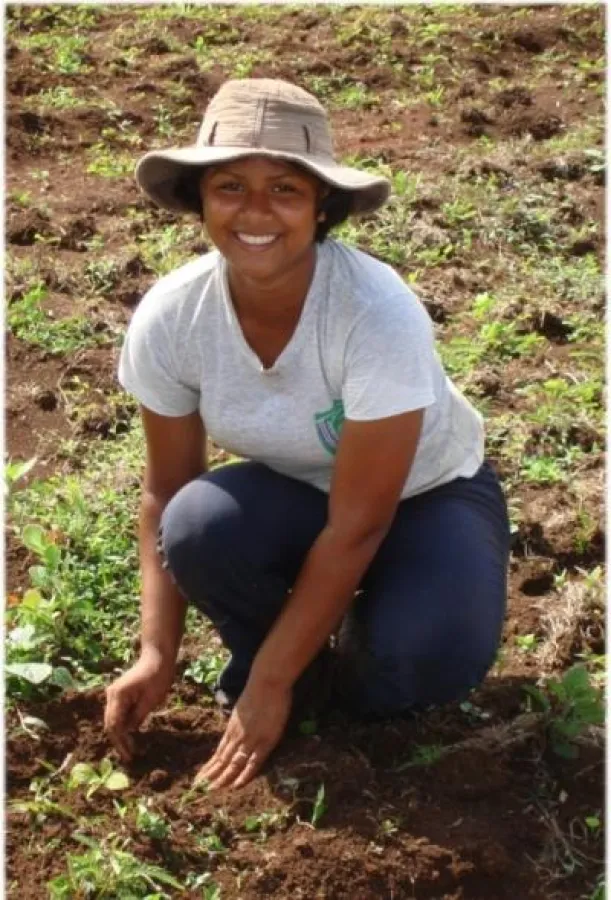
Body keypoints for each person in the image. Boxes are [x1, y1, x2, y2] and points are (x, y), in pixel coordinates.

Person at [104, 78, 510, 791]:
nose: (255, 212)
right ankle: (291, 661)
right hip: (297, 494)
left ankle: (316, 665)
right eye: (229, 185)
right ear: (200, 198)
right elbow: (164, 489)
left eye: (285, 190)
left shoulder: (373, 313)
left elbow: (360, 521)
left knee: (414, 668)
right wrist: (156, 652)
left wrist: (267, 682)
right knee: (197, 522)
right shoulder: (171, 317)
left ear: (321, 206)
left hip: (425, 497)